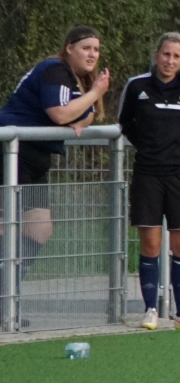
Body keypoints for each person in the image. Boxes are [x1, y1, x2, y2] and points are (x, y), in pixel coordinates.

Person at [1, 26, 114, 279]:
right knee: (5, 226)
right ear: (69, 48)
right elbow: (60, 112)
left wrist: (82, 112)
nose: (92, 54)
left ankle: (7, 294)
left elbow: (88, 115)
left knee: (39, 229)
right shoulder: (55, 69)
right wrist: (95, 93)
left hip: (34, 157)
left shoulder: (75, 78)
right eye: (86, 48)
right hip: (11, 151)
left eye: (96, 50)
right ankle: (5, 303)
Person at [117, 32, 180, 329]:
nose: (170, 61)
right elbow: (125, 122)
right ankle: (150, 311)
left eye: (176, 56)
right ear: (157, 54)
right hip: (148, 174)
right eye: (166, 54)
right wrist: (146, 146)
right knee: (151, 244)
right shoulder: (137, 86)